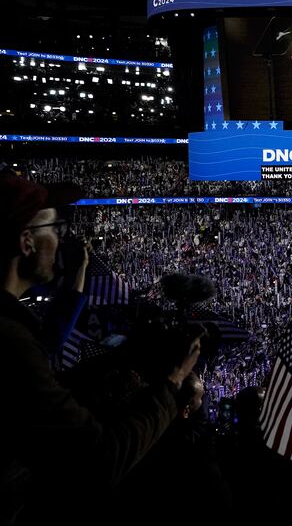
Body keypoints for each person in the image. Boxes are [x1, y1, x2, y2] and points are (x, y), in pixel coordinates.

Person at [0, 173, 201, 525]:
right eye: (55, 228)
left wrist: (124, 353)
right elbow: (97, 462)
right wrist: (173, 381)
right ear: (26, 242)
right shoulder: (7, 342)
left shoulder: (14, 331)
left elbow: (51, 360)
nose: (61, 240)